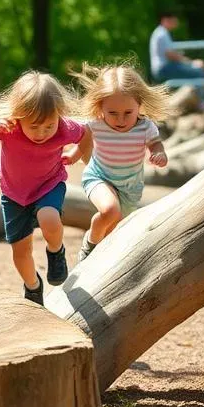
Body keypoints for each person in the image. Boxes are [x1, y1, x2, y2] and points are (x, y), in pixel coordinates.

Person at [0, 71, 92, 305]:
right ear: (19, 116)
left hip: (49, 185)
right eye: (34, 126)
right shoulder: (9, 127)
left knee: (49, 217)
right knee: (20, 252)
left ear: (58, 117)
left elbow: (86, 135)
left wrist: (76, 154)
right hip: (14, 195)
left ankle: (56, 251)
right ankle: (33, 286)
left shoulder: (65, 128)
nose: (42, 133)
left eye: (49, 126)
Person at [72, 64, 170, 264]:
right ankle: (88, 247)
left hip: (129, 188)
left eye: (128, 112)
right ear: (100, 107)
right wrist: (73, 155)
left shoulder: (145, 127)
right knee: (109, 210)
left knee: (114, 229)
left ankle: (99, 260)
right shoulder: (96, 124)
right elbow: (84, 140)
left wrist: (160, 155)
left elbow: (156, 145)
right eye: (113, 113)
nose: (120, 119)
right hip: (98, 177)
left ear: (139, 104)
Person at [149, 10, 204, 86]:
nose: (175, 23)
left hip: (162, 69)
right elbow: (170, 55)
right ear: (165, 20)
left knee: (197, 71)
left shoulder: (160, 32)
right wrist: (190, 62)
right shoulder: (162, 34)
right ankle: (203, 97)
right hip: (163, 69)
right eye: (173, 21)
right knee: (198, 72)